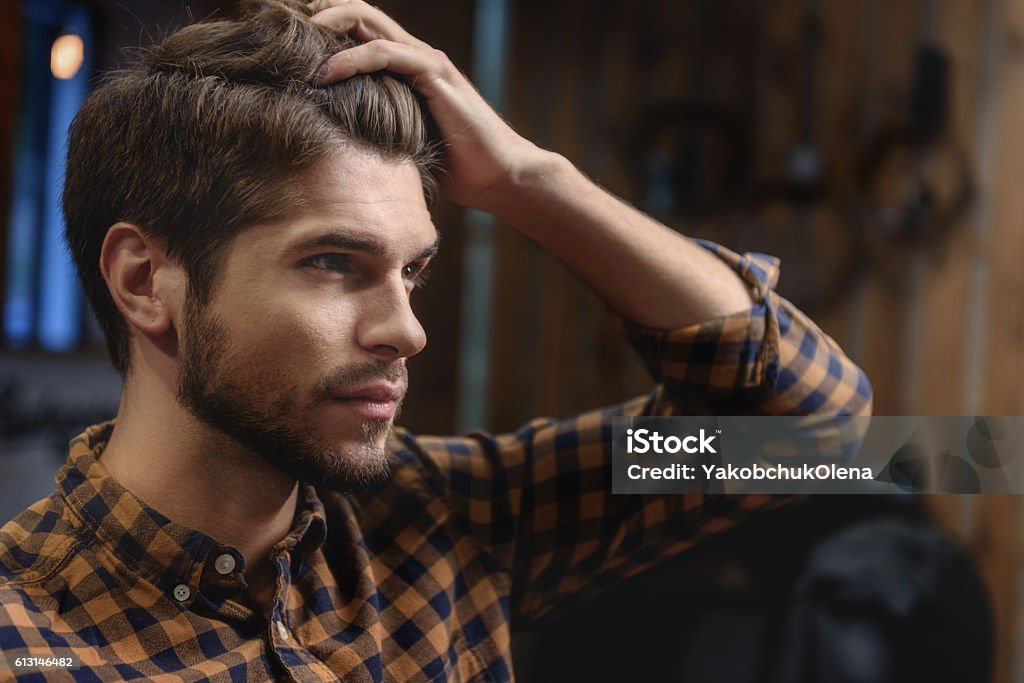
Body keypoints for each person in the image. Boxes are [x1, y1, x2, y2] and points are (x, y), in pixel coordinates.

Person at [0, 0, 871, 680]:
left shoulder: (448, 518)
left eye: (412, 270)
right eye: (333, 262)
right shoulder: (24, 634)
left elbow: (808, 434)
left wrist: (531, 180)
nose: (406, 329)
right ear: (146, 281)